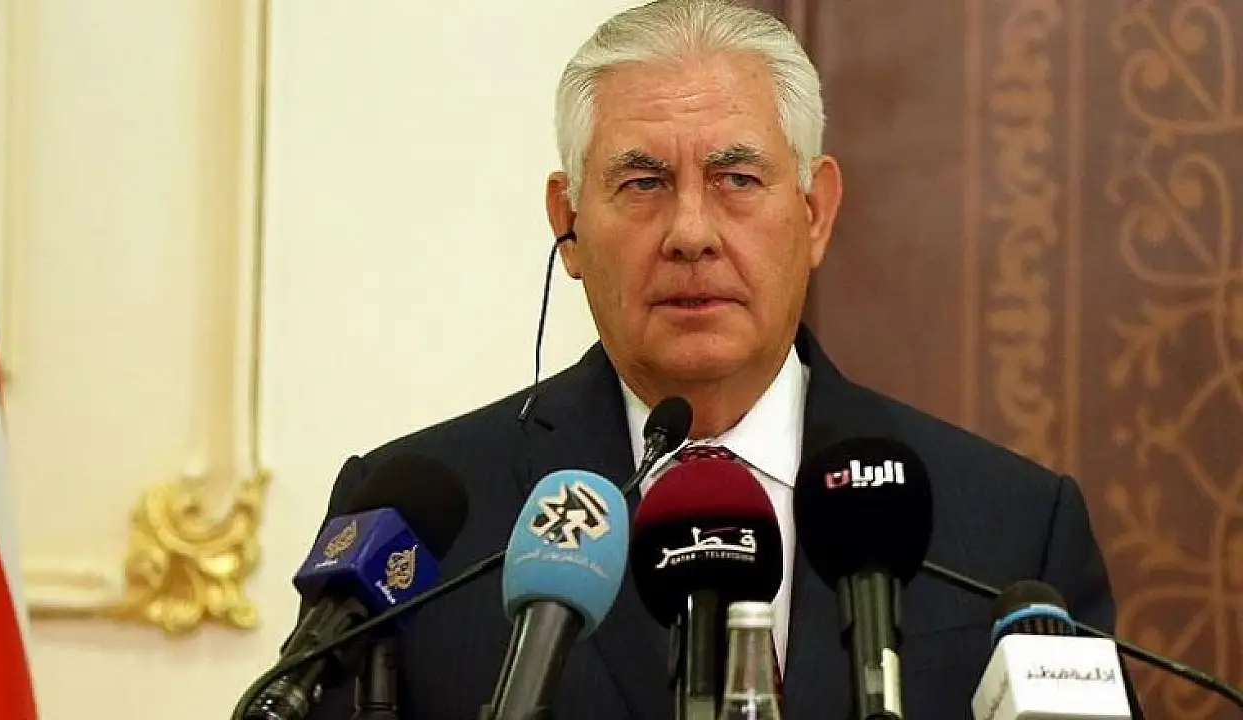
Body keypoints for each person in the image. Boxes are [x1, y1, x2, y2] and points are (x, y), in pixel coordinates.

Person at [298, 1, 1144, 718]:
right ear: (568, 223)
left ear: (815, 212)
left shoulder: (1011, 529)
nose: (692, 233)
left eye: (737, 179)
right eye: (642, 183)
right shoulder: (419, 530)